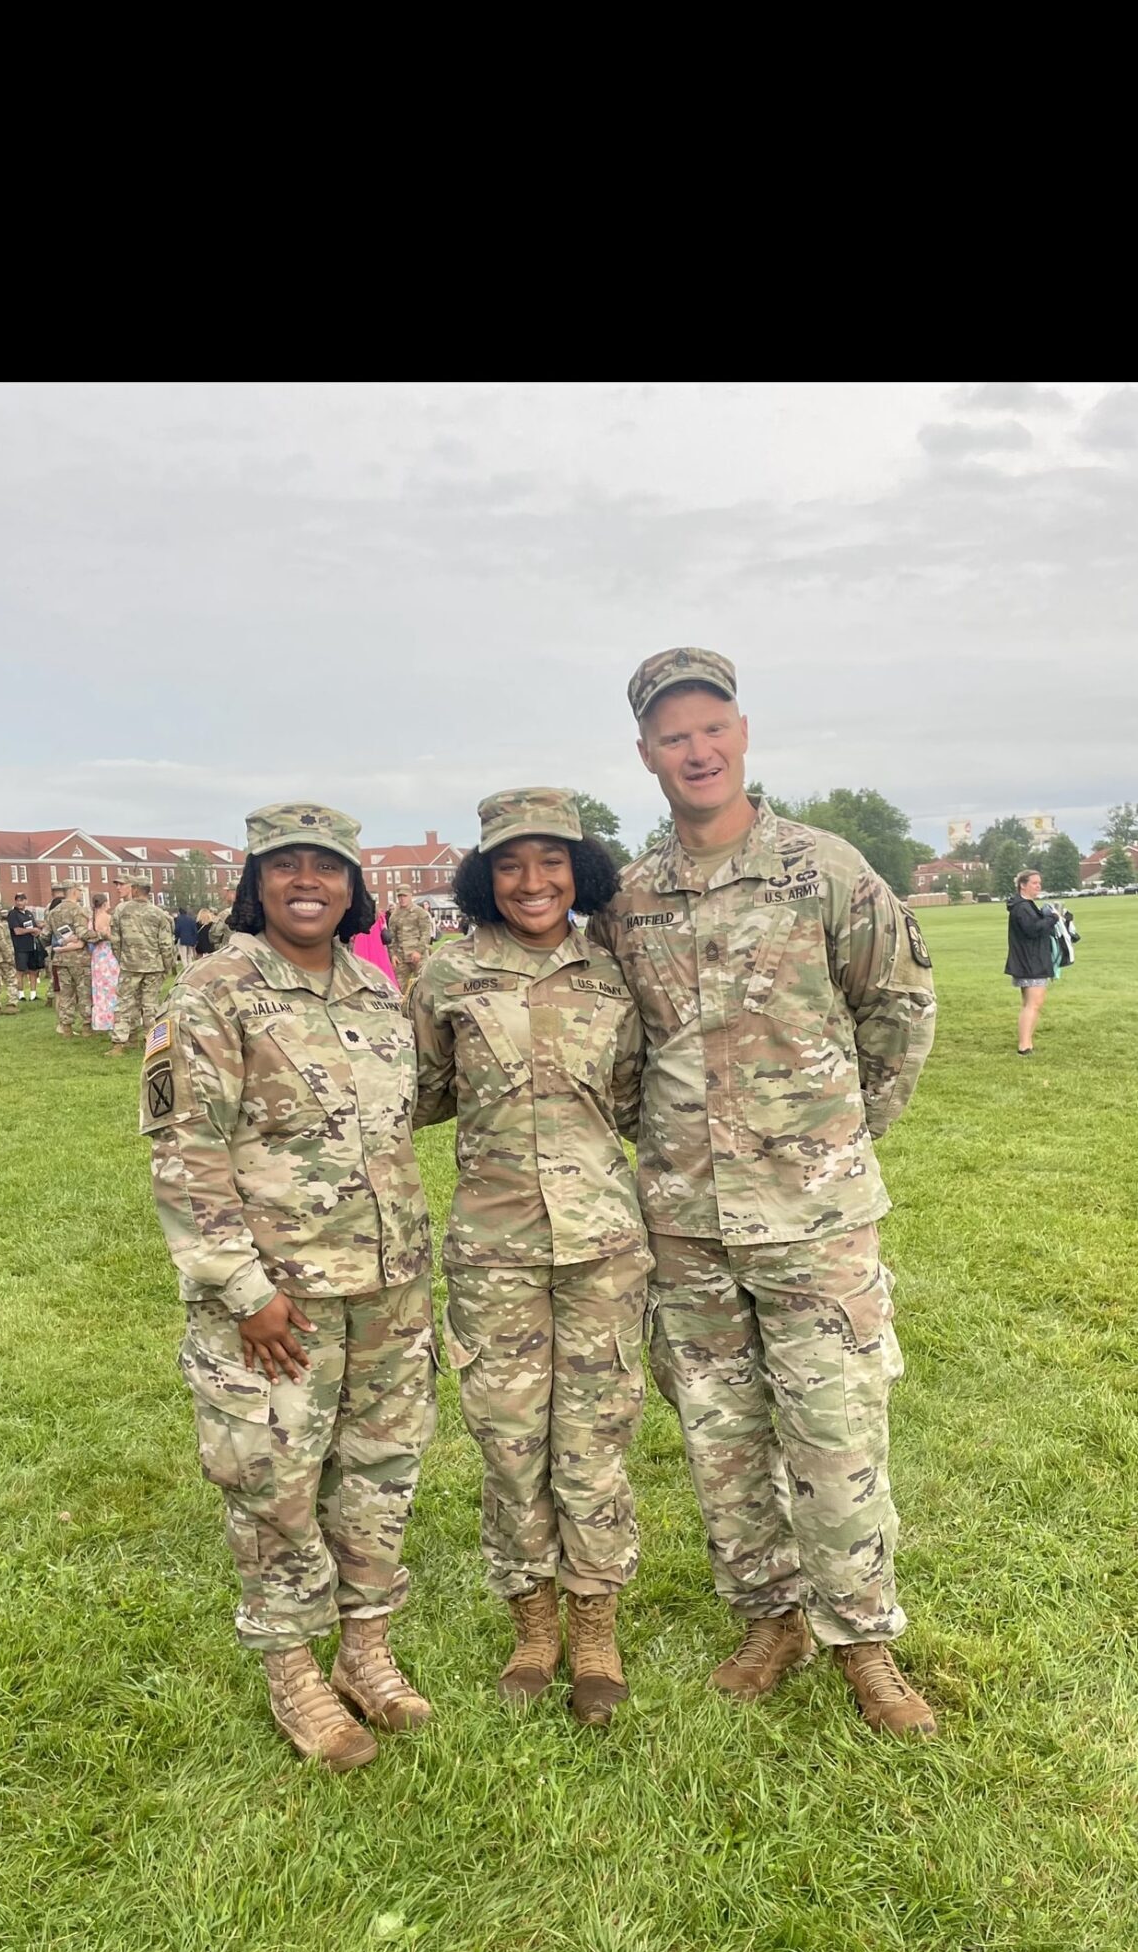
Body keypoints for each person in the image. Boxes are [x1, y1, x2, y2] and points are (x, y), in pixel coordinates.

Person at [590, 646, 939, 1738]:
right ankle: (769, 1617)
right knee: (720, 1433)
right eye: (672, 735)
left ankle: (863, 1640)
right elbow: (619, 1048)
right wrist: (671, 1151)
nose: (695, 749)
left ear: (741, 734)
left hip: (815, 1220)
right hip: (686, 1225)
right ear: (645, 753)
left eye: (711, 727)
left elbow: (898, 1009)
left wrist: (833, 1137)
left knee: (835, 1430)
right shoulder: (628, 898)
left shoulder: (822, 869)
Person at [140, 802, 437, 1773]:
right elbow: (185, 1153)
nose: (307, 881)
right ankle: (293, 1669)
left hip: (387, 1291)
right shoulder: (212, 993)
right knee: (273, 1480)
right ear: (255, 882)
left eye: (327, 866)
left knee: (380, 1471)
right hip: (277, 1302)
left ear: (353, 887)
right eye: (285, 865)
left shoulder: (374, 989)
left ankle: (364, 1648)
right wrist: (242, 1290)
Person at [412, 789, 649, 1725]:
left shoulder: (613, 974)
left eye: (551, 861)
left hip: (601, 1249)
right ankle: (533, 1628)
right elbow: (419, 1093)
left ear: (578, 870)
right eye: (509, 864)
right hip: (495, 1251)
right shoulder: (446, 975)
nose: (532, 881)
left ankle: (594, 1631)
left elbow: (634, 1099)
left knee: (593, 1444)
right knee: (510, 1448)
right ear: (485, 875)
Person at [110, 874, 175, 1053]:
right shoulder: (159, 913)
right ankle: (153, 1044)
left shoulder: (121, 910)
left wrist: (121, 958)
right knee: (150, 1006)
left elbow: (115, 940)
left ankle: (120, 1043)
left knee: (124, 1004)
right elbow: (166, 944)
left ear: (135, 889)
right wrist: (167, 966)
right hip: (153, 966)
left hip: (129, 965)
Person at [1005, 867, 1060, 1054]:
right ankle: (1024, 1045)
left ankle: (1027, 1042)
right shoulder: (1022, 907)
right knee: (1033, 1004)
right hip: (1030, 962)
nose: (1038, 886)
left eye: (1039, 883)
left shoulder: (1024, 905)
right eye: (1034, 883)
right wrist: (1053, 918)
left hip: (1030, 961)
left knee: (1031, 1004)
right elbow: (1032, 930)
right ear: (1023, 885)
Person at [45, 881, 94, 1036]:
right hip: (80, 959)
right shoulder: (79, 910)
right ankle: (87, 1026)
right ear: (73, 891)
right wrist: (100, 935)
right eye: (79, 890)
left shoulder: (53, 912)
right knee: (84, 993)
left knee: (65, 994)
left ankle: (66, 1027)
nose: (80, 893)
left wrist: (60, 942)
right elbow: (83, 933)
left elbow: (44, 936)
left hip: (61, 959)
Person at [388, 889, 434, 996]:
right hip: (401, 958)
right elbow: (392, 938)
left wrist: (418, 951)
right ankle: (403, 1006)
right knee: (399, 989)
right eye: (400, 896)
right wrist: (393, 954)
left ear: (410, 896)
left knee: (424, 987)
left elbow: (426, 934)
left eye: (405, 896)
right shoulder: (394, 916)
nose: (402, 899)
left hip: (418, 956)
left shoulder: (420, 913)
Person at [88, 890, 120, 1033]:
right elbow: (113, 936)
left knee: (99, 989)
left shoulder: (91, 920)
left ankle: (101, 1021)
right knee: (112, 987)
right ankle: (113, 1019)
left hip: (97, 955)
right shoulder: (109, 918)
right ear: (105, 903)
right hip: (109, 954)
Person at [7, 895, 44, 1003]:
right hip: (20, 947)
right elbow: (17, 931)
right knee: (20, 971)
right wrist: (32, 930)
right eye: (17, 901)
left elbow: (34, 926)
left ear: (26, 901)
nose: (19, 903)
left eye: (22, 900)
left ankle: (33, 995)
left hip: (32, 946)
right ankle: (21, 994)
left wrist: (38, 928)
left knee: (33, 970)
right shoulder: (13, 914)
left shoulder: (29, 913)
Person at [353, 908, 398, 985]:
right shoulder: (379, 916)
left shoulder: (355, 917)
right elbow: (385, 934)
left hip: (361, 949)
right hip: (377, 950)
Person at [206, 885, 238, 954]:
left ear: (233, 894)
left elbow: (214, 934)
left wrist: (219, 947)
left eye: (227, 892)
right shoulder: (255, 912)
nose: (226, 895)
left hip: (229, 951)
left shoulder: (224, 914)